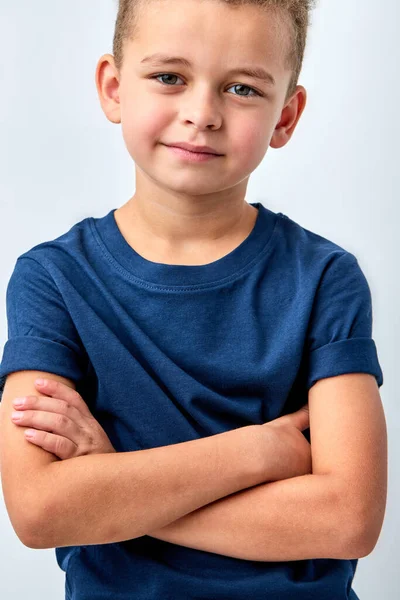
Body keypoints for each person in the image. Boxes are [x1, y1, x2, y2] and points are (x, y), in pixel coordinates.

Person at [0, 0, 386, 599]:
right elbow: (41, 511)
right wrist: (259, 451)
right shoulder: (52, 280)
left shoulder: (325, 278)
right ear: (112, 87)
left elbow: (348, 519)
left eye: (241, 88)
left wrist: (111, 490)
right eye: (169, 77)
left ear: (286, 116)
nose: (202, 114)